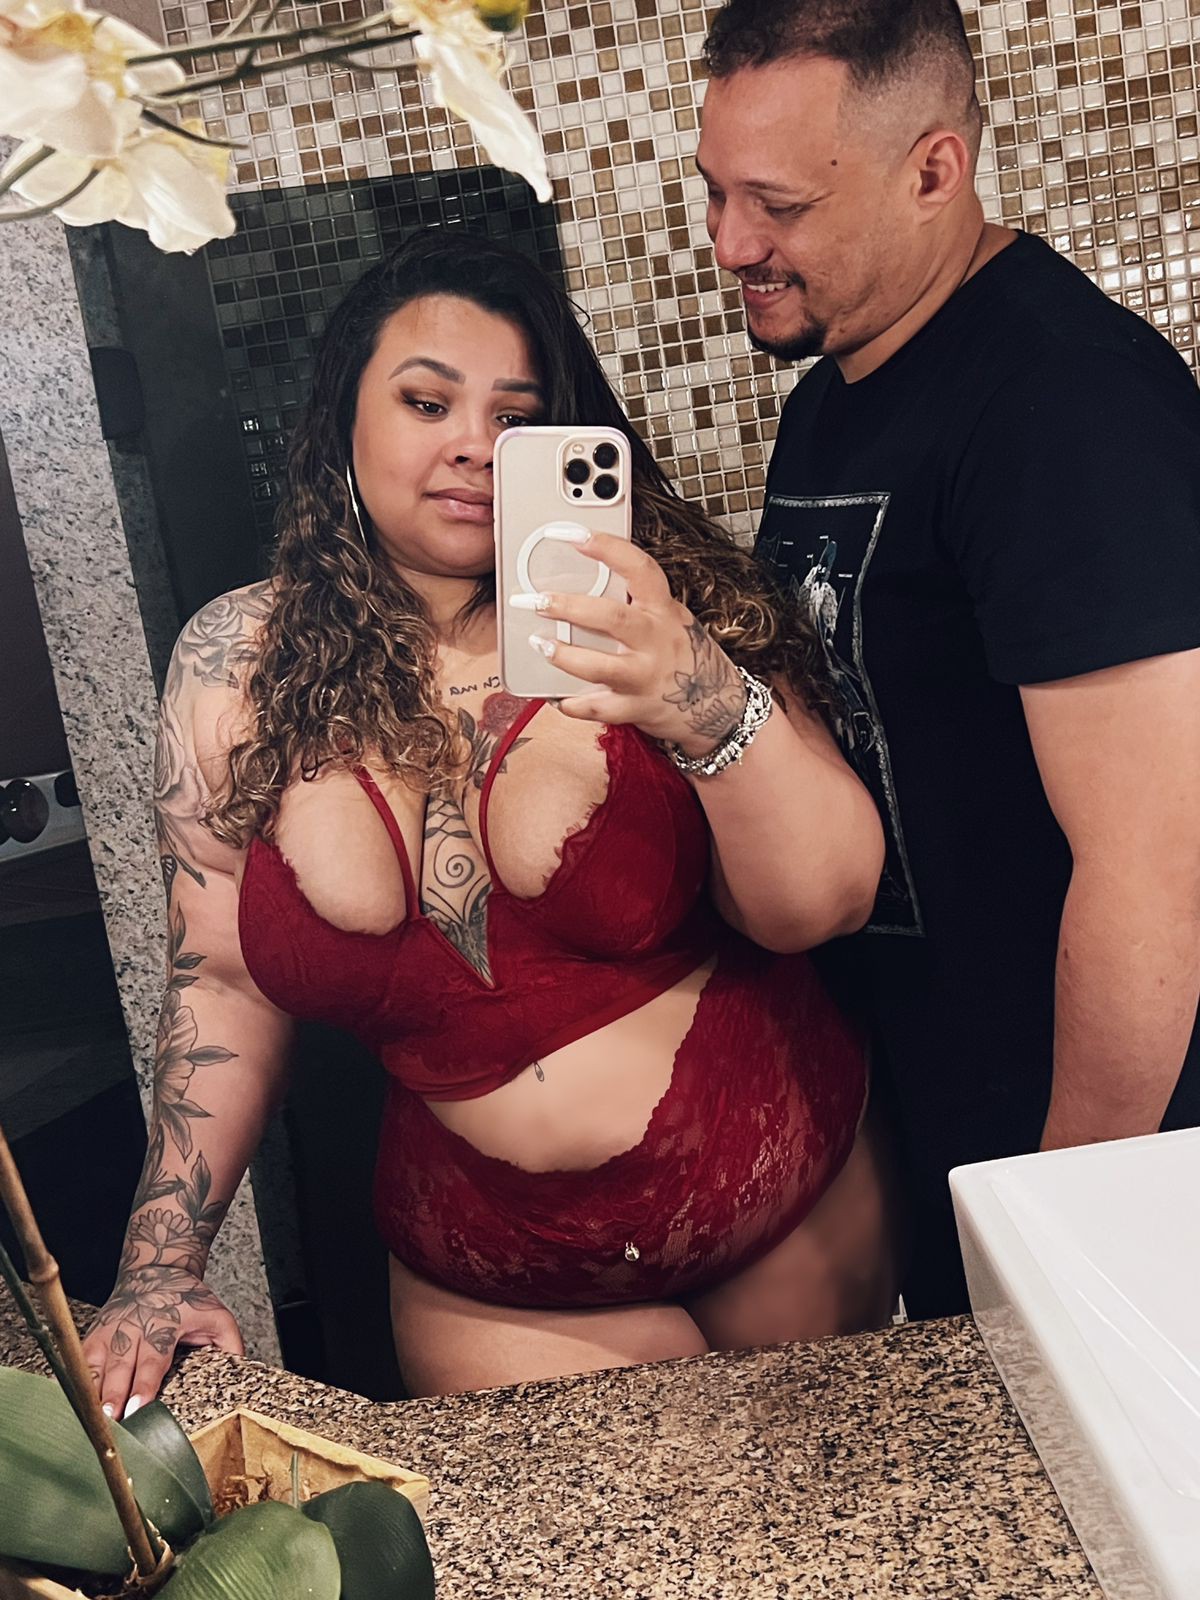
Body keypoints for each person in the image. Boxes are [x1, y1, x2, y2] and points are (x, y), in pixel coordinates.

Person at [83, 228, 895, 1411]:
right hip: (503, 1286)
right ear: (343, 420)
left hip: (786, 1213)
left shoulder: (656, 607)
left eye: (517, 416)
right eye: (427, 402)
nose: (474, 443)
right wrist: (159, 1263)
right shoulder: (233, 666)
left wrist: (698, 691)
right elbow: (223, 979)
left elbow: (824, 903)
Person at [696, 0, 1200, 1318]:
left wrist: (1063, 1239)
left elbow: (1158, 872)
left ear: (935, 169)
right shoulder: (837, 397)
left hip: (1109, 1181)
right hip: (952, 1141)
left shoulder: (1065, 408)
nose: (731, 243)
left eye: (777, 205)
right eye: (715, 193)